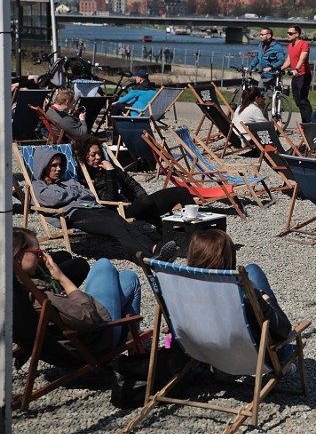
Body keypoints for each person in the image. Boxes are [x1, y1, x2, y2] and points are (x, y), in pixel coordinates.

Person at [13, 227, 142, 354]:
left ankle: (134, 349)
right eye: (37, 253)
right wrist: (62, 278)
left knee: (128, 277)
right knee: (103, 264)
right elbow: (89, 319)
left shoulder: (14, 291)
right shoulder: (37, 294)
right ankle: (136, 352)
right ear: (18, 257)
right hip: (94, 342)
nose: (41, 258)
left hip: (78, 336)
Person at [31, 147, 172, 260]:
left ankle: (154, 248)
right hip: (75, 214)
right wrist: (74, 193)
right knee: (115, 227)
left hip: (93, 208)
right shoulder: (38, 185)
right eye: (54, 166)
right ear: (43, 167)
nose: (59, 169)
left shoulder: (68, 181)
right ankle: (145, 257)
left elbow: (89, 195)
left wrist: (70, 193)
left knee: (121, 222)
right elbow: (52, 199)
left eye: (60, 165)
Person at [185, 230, 295, 361]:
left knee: (251, 269)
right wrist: (265, 298)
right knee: (253, 270)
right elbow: (284, 331)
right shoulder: (244, 294)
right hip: (253, 357)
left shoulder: (181, 289)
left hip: (204, 349)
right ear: (229, 258)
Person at [73, 136, 195, 230]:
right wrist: (110, 172)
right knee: (145, 202)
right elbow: (110, 200)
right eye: (93, 155)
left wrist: (143, 197)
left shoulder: (109, 166)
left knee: (181, 191)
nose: (98, 157)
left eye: (99, 153)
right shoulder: (85, 179)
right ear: (85, 157)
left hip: (141, 206)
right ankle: (162, 228)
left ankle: (196, 228)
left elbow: (133, 184)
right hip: (121, 211)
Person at [280, 25, 313, 124]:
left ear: (297, 34)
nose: (288, 35)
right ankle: (305, 122)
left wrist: (296, 69)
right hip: (296, 75)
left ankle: (308, 122)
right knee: (297, 100)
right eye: (287, 33)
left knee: (303, 99)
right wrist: (280, 68)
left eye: (290, 33)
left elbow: (302, 59)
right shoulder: (290, 45)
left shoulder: (304, 44)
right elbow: (289, 60)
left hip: (304, 74)